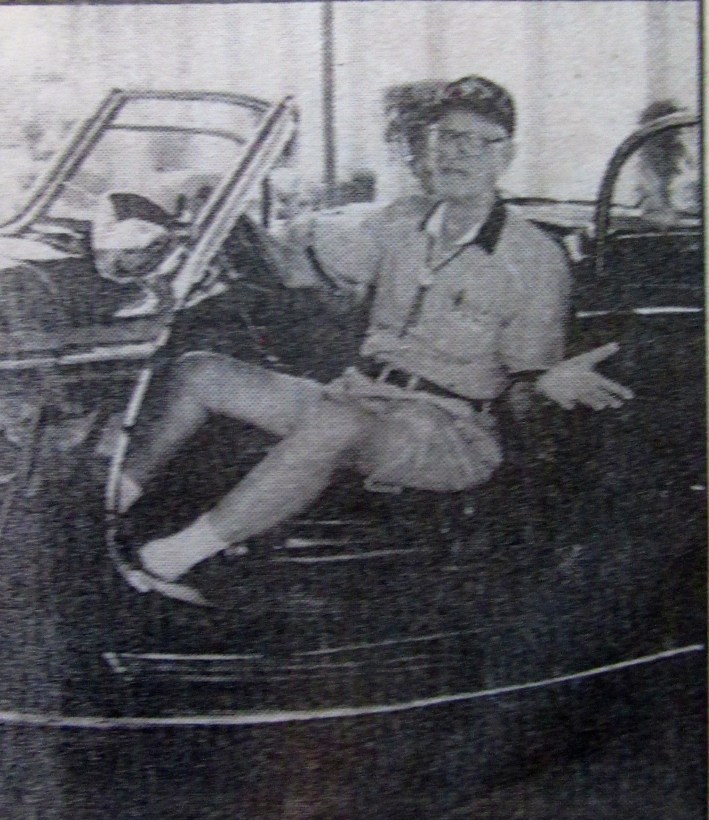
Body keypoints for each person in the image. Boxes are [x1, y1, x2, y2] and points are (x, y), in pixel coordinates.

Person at [115, 75, 632, 606]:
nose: (458, 153)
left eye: (480, 142)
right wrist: (214, 231)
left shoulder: (535, 258)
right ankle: (108, 502)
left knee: (337, 423)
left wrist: (549, 381)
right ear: (425, 147)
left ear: (507, 157)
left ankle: (168, 559)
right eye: (447, 137)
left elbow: (525, 383)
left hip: (447, 431)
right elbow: (295, 266)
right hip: (356, 394)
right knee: (202, 371)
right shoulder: (399, 222)